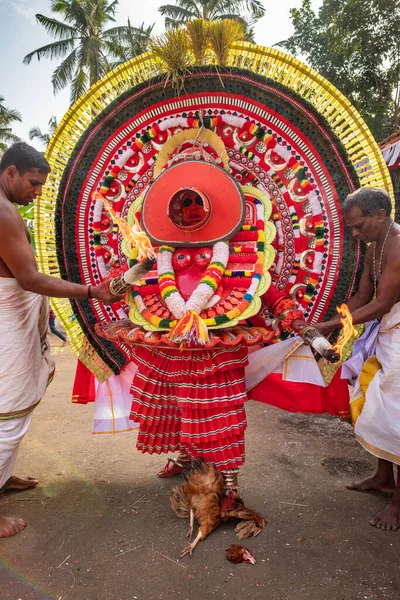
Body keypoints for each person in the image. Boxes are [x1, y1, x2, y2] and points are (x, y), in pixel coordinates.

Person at [0, 142, 121, 538]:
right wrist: (92, 291)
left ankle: (4, 477)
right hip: (7, 327)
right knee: (8, 414)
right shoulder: (4, 212)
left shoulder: (9, 209)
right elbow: (29, 279)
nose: (37, 192)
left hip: (12, 321)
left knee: (11, 411)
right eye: (34, 183)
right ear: (11, 172)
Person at [316, 187, 400, 531]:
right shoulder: (374, 249)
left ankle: (399, 504)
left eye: (358, 226)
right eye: (350, 228)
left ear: (380, 214)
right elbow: (363, 296)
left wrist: (332, 324)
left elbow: (381, 304)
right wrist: (322, 321)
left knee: (396, 409)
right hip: (387, 331)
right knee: (372, 401)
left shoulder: (398, 245)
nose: (355, 234)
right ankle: (384, 478)